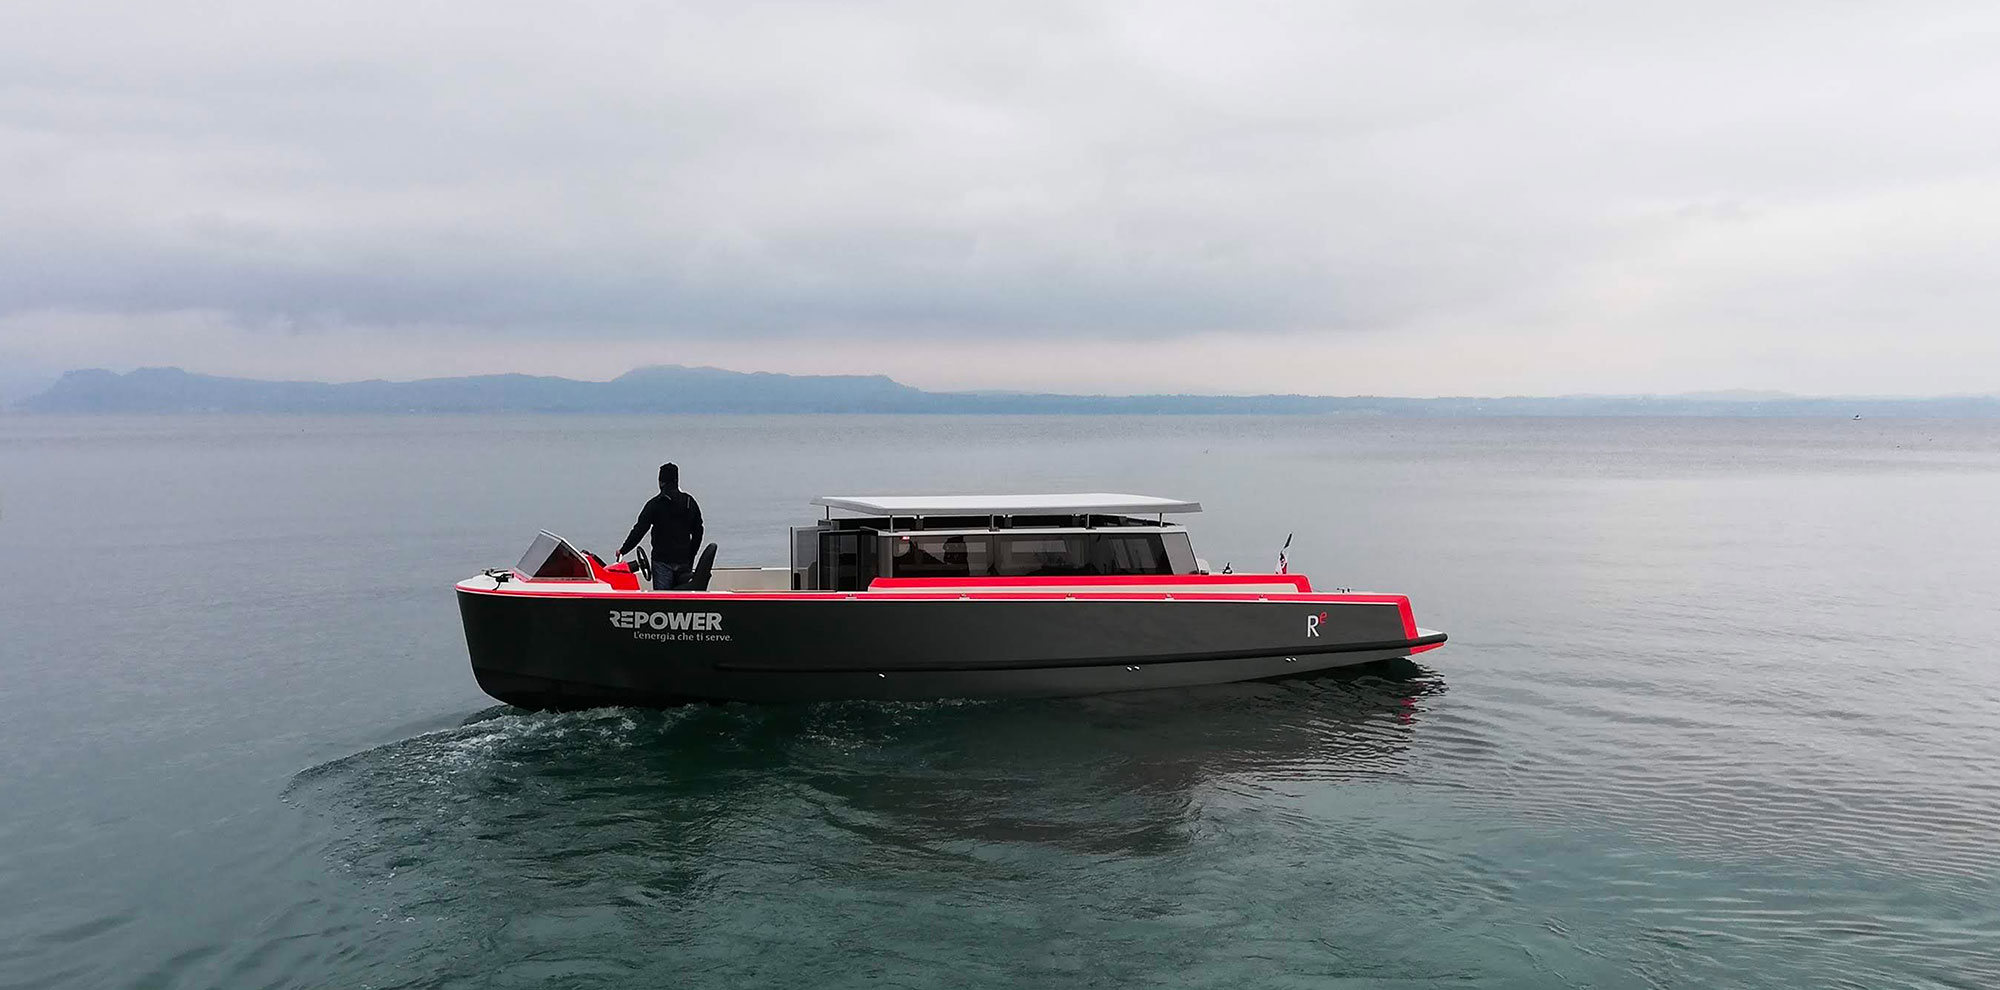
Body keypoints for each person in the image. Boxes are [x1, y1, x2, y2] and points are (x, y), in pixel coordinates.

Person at [618, 462, 704, 590]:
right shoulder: (689, 502)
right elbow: (698, 531)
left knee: (663, 598)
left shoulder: (655, 504)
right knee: (682, 598)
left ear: (661, 482)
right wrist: (691, 554)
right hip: (684, 561)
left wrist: (623, 550)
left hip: (662, 562)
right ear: (677, 480)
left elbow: (639, 530)